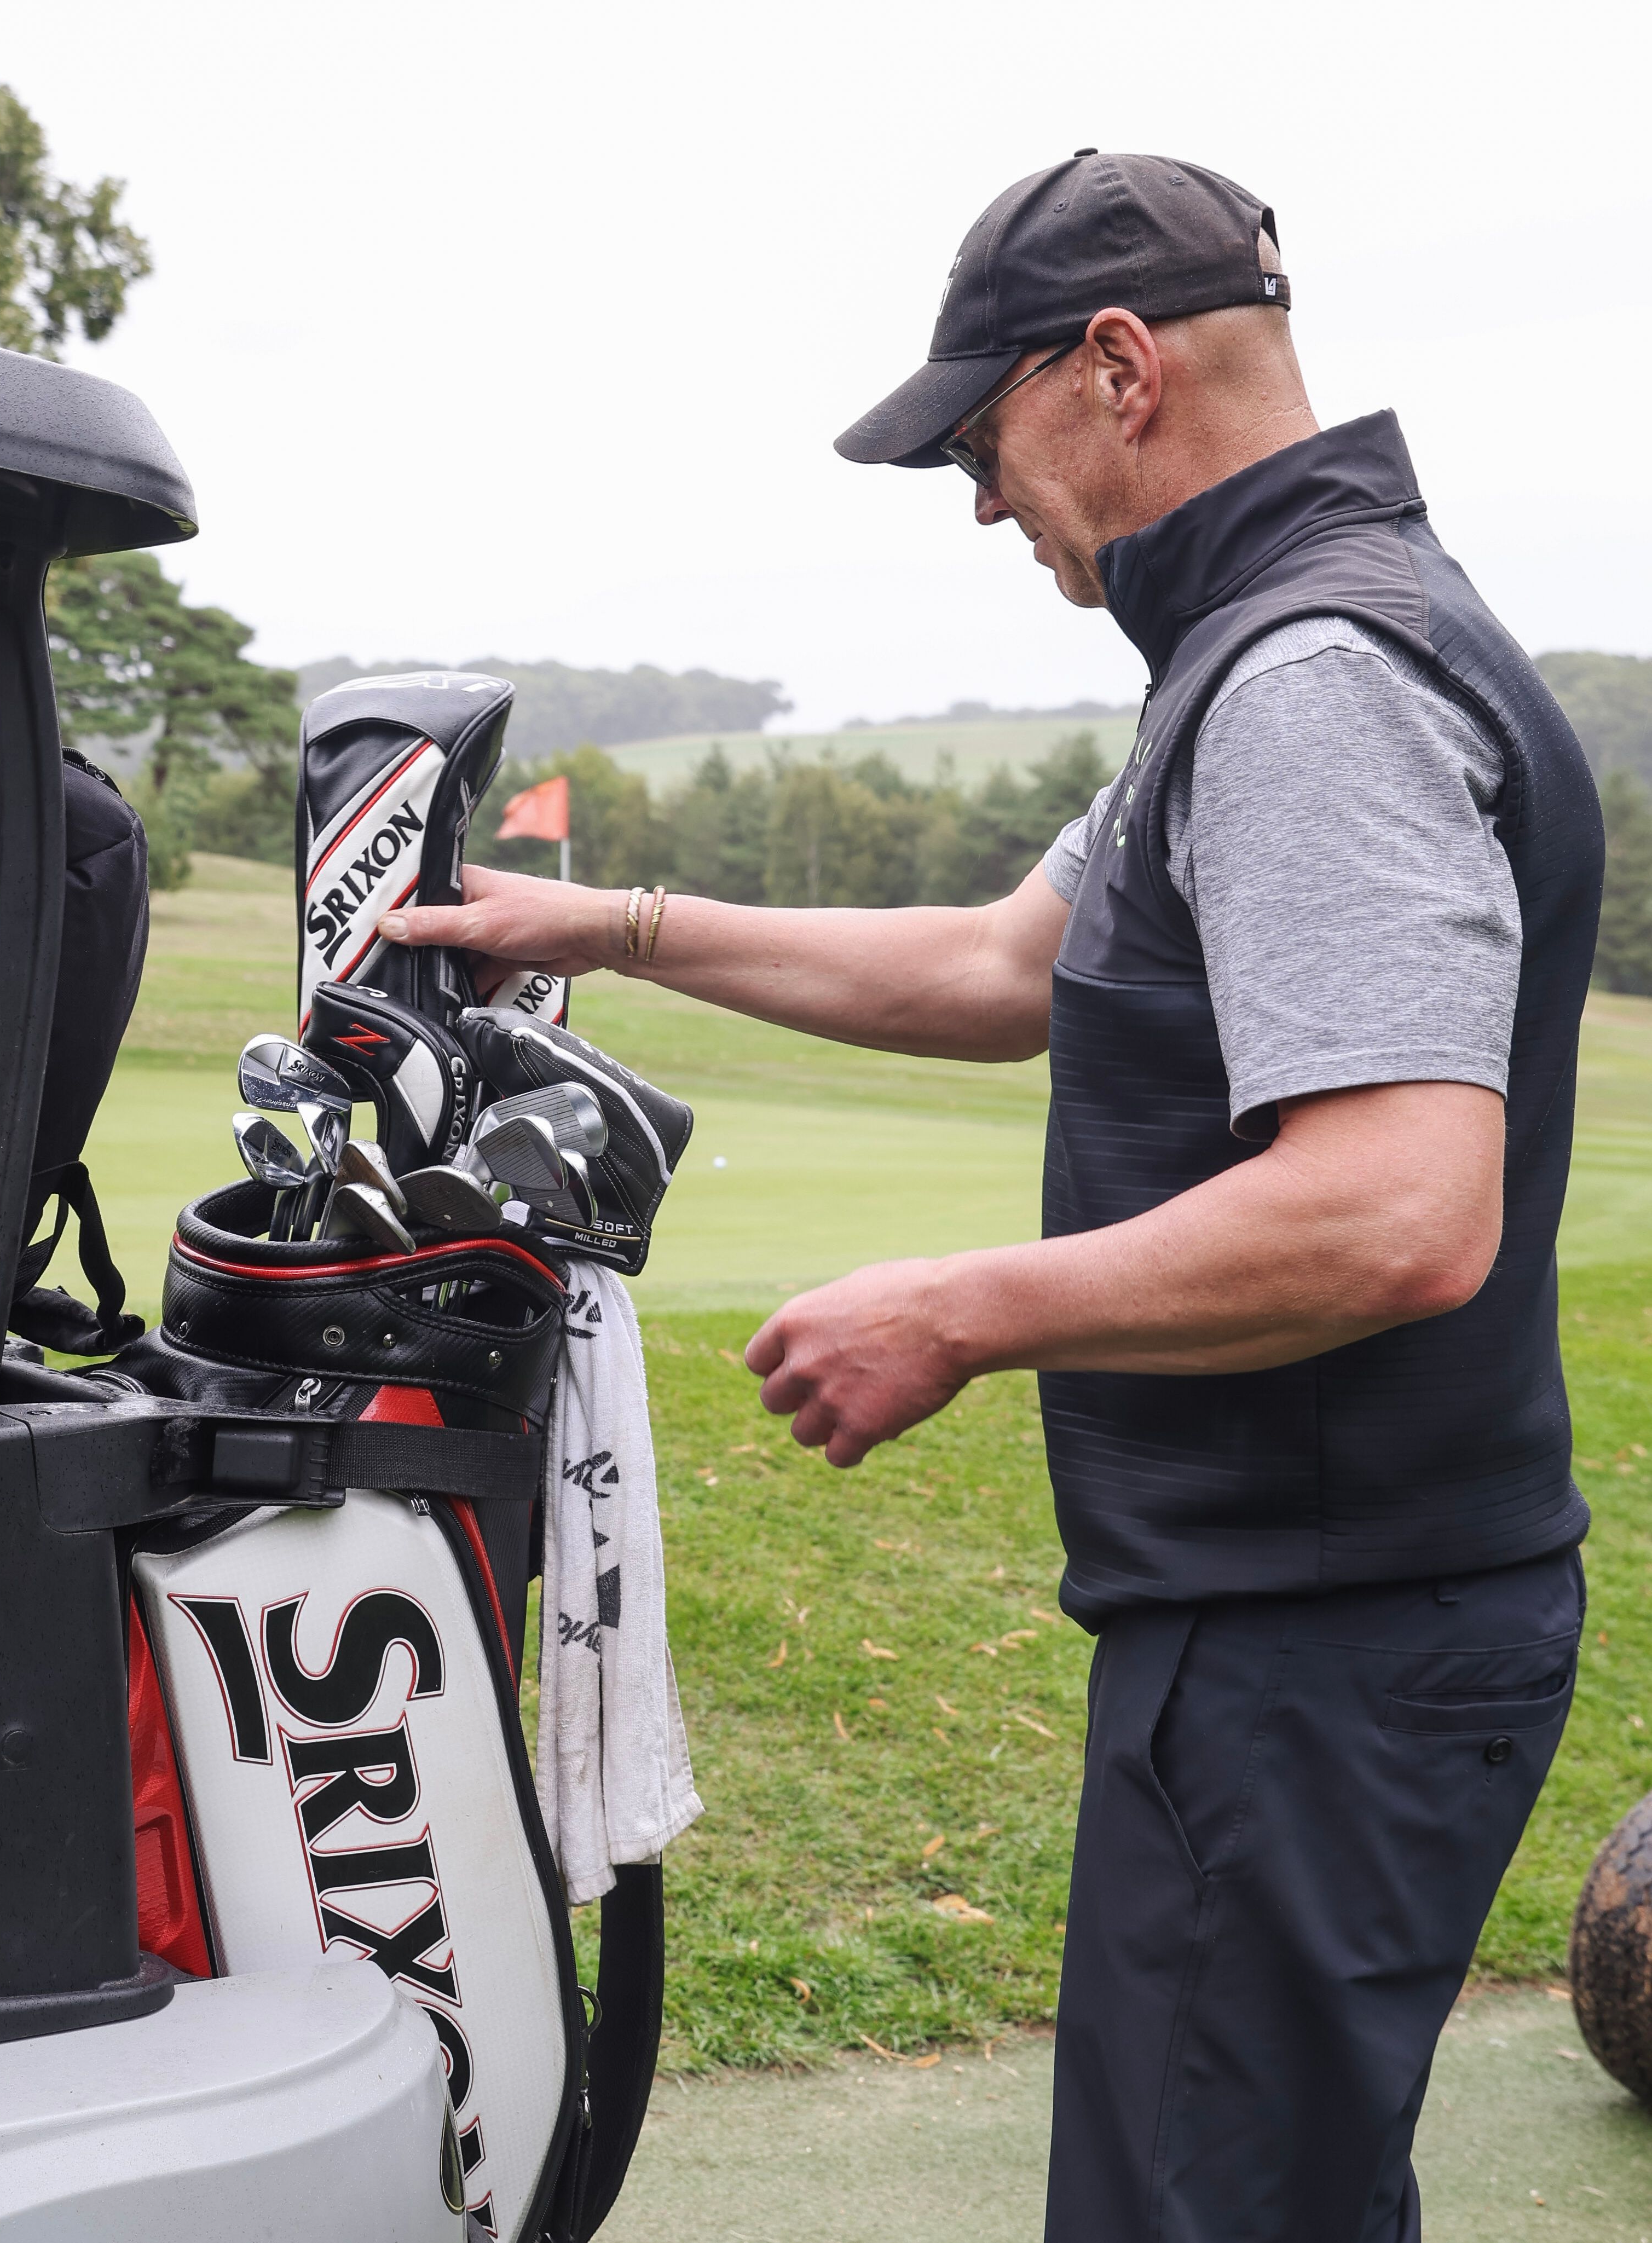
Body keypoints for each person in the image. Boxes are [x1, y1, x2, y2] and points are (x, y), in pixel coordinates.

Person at [379, 152, 1599, 2241]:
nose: (975, 499)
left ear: (1115, 369)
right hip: (1312, 1623)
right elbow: (1001, 966)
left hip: (1329, 1642)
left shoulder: (1312, 678)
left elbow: (1402, 1207)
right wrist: (612, 919)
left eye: (978, 438)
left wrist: (966, 1305)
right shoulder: (1270, 644)